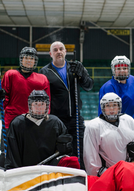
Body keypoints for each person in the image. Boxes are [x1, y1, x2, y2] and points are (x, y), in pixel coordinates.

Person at [0, 47, 50, 169]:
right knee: (6, 153)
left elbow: (47, 101)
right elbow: (3, 100)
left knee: (30, 153)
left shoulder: (42, 78)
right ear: (21, 59)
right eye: (26, 58)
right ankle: (1, 175)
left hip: (33, 122)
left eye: (32, 58)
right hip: (11, 122)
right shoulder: (10, 74)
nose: (29, 61)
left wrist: (45, 118)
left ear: (35, 61)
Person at [39, 41, 94, 170]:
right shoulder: (45, 72)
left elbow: (89, 85)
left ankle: (80, 176)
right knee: (58, 151)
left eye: (61, 49)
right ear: (50, 54)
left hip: (75, 118)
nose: (59, 51)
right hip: (56, 120)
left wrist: (82, 75)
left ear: (65, 52)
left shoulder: (75, 67)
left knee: (79, 151)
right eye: (55, 50)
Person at [5, 90, 78, 170]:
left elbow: (66, 152)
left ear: (47, 105)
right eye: (35, 104)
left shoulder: (55, 123)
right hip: (25, 172)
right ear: (30, 105)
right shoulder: (17, 124)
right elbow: (12, 155)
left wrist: (65, 148)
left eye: (42, 104)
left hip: (50, 170)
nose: (39, 108)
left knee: (74, 161)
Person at [83, 92, 134, 176]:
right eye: (108, 106)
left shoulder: (128, 120)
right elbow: (90, 155)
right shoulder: (93, 126)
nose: (111, 109)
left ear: (119, 106)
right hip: (107, 173)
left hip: (128, 169)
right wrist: (98, 173)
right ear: (103, 108)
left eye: (114, 105)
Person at [98, 55, 134, 140]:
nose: (122, 71)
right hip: (119, 128)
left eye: (124, 68)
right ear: (113, 70)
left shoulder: (133, 80)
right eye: (118, 69)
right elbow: (104, 113)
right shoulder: (108, 87)